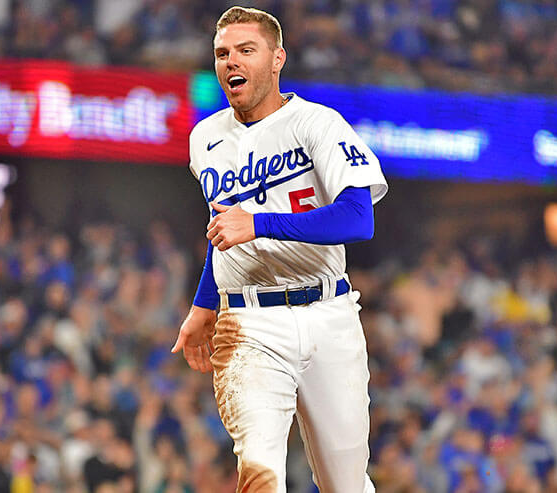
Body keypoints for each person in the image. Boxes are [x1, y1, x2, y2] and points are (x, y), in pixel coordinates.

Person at [171, 6, 387, 492]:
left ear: (277, 59)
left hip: (329, 312)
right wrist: (203, 305)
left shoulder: (317, 123)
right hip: (249, 322)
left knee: (345, 482)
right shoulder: (205, 138)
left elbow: (358, 218)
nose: (231, 63)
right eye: (222, 54)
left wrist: (261, 224)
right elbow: (223, 230)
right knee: (260, 467)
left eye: (246, 51)